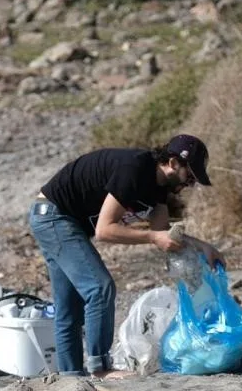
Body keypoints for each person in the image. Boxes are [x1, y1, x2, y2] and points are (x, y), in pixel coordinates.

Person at [28, 134, 225, 378]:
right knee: (99, 288)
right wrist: (153, 237)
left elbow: (163, 233)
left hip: (58, 220)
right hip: (54, 216)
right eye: (191, 176)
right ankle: (100, 368)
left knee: (69, 305)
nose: (191, 184)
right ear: (173, 163)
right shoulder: (135, 170)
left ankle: (70, 377)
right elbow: (105, 230)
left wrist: (203, 247)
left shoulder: (159, 189)